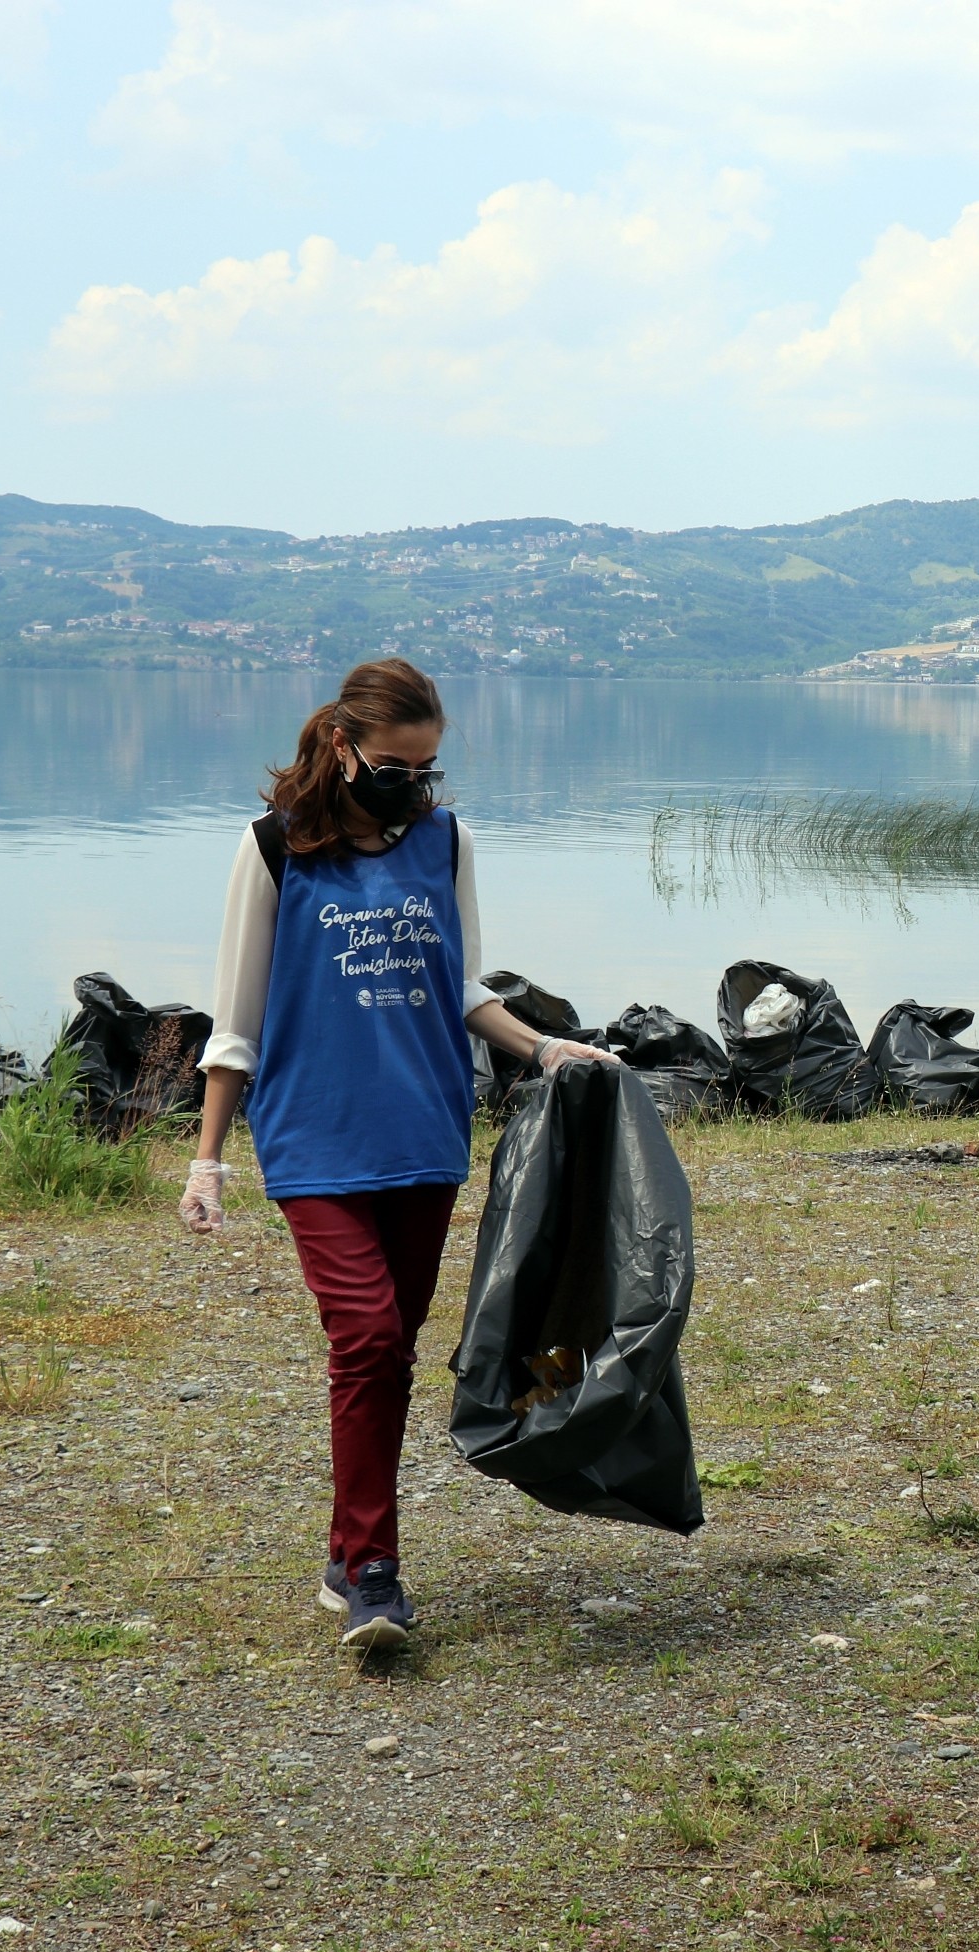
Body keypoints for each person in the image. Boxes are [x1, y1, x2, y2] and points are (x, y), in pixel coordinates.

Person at [177, 658, 617, 1653]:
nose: (414, 785)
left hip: (423, 1131)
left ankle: (347, 1551)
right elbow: (235, 1021)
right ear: (342, 744)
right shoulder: (274, 849)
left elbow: (464, 989)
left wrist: (546, 1047)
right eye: (395, 765)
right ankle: (375, 1571)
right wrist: (209, 1158)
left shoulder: (445, 841)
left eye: (427, 768)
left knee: (388, 1352)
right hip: (312, 1136)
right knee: (369, 1335)